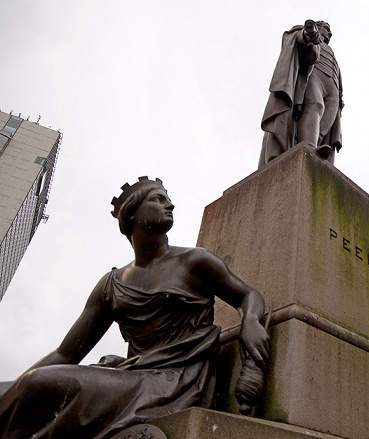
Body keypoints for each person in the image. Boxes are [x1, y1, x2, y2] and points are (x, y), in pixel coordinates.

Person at [0, 177, 270, 439]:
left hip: (177, 382)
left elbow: (248, 295)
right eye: (158, 199)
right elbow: (64, 354)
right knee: (16, 389)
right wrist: (14, 387)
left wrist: (250, 321)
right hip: (133, 375)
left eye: (168, 199)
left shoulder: (195, 261)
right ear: (132, 214)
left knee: (42, 387)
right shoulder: (112, 285)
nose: (170, 205)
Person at [259, 19, 343, 168]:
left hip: (333, 89)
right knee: (315, 105)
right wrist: (308, 34)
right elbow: (297, 38)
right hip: (313, 76)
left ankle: (317, 143)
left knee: (327, 123)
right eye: (326, 28)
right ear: (317, 26)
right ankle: (309, 146)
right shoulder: (308, 33)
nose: (329, 32)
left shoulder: (332, 52)